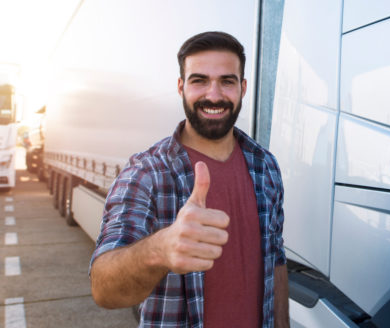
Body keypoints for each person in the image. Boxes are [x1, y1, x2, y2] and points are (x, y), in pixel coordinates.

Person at [89, 31, 288, 328]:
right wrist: (160, 249)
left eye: (227, 81)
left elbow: (276, 261)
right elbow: (103, 289)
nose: (214, 95)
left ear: (243, 88)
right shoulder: (147, 173)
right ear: (181, 87)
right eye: (199, 81)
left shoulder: (266, 166)